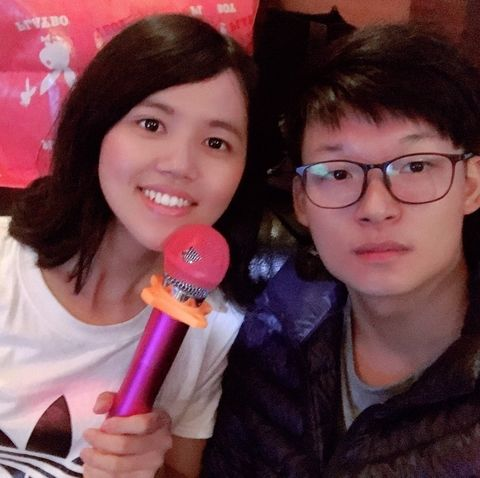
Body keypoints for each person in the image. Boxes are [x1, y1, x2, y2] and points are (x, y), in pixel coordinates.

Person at [201, 23, 480, 477]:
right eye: (337, 173)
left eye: (415, 166)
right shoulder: (273, 333)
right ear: (300, 200)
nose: (375, 207)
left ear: (470, 185)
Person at [0, 13, 264, 478]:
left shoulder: (212, 326)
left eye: (216, 142)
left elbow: (182, 471)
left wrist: (149, 469)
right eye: (151, 124)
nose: (179, 164)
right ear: (96, 128)